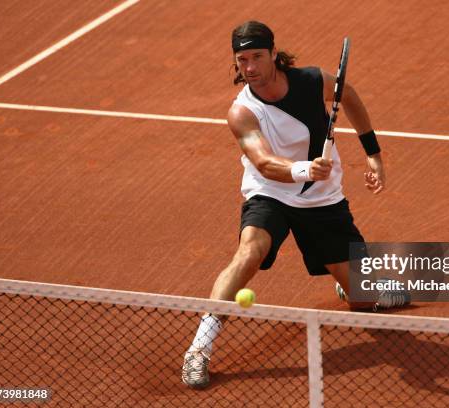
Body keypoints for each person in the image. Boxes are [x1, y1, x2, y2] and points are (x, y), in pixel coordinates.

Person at [182, 20, 409, 389]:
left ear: (274, 53)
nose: (250, 67)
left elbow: (348, 96)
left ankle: (350, 284)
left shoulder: (312, 80)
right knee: (249, 253)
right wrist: (305, 168)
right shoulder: (241, 112)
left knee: (363, 300)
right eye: (242, 60)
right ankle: (198, 350)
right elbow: (264, 163)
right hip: (270, 191)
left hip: (322, 199)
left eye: (257, 56)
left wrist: (373, 154)